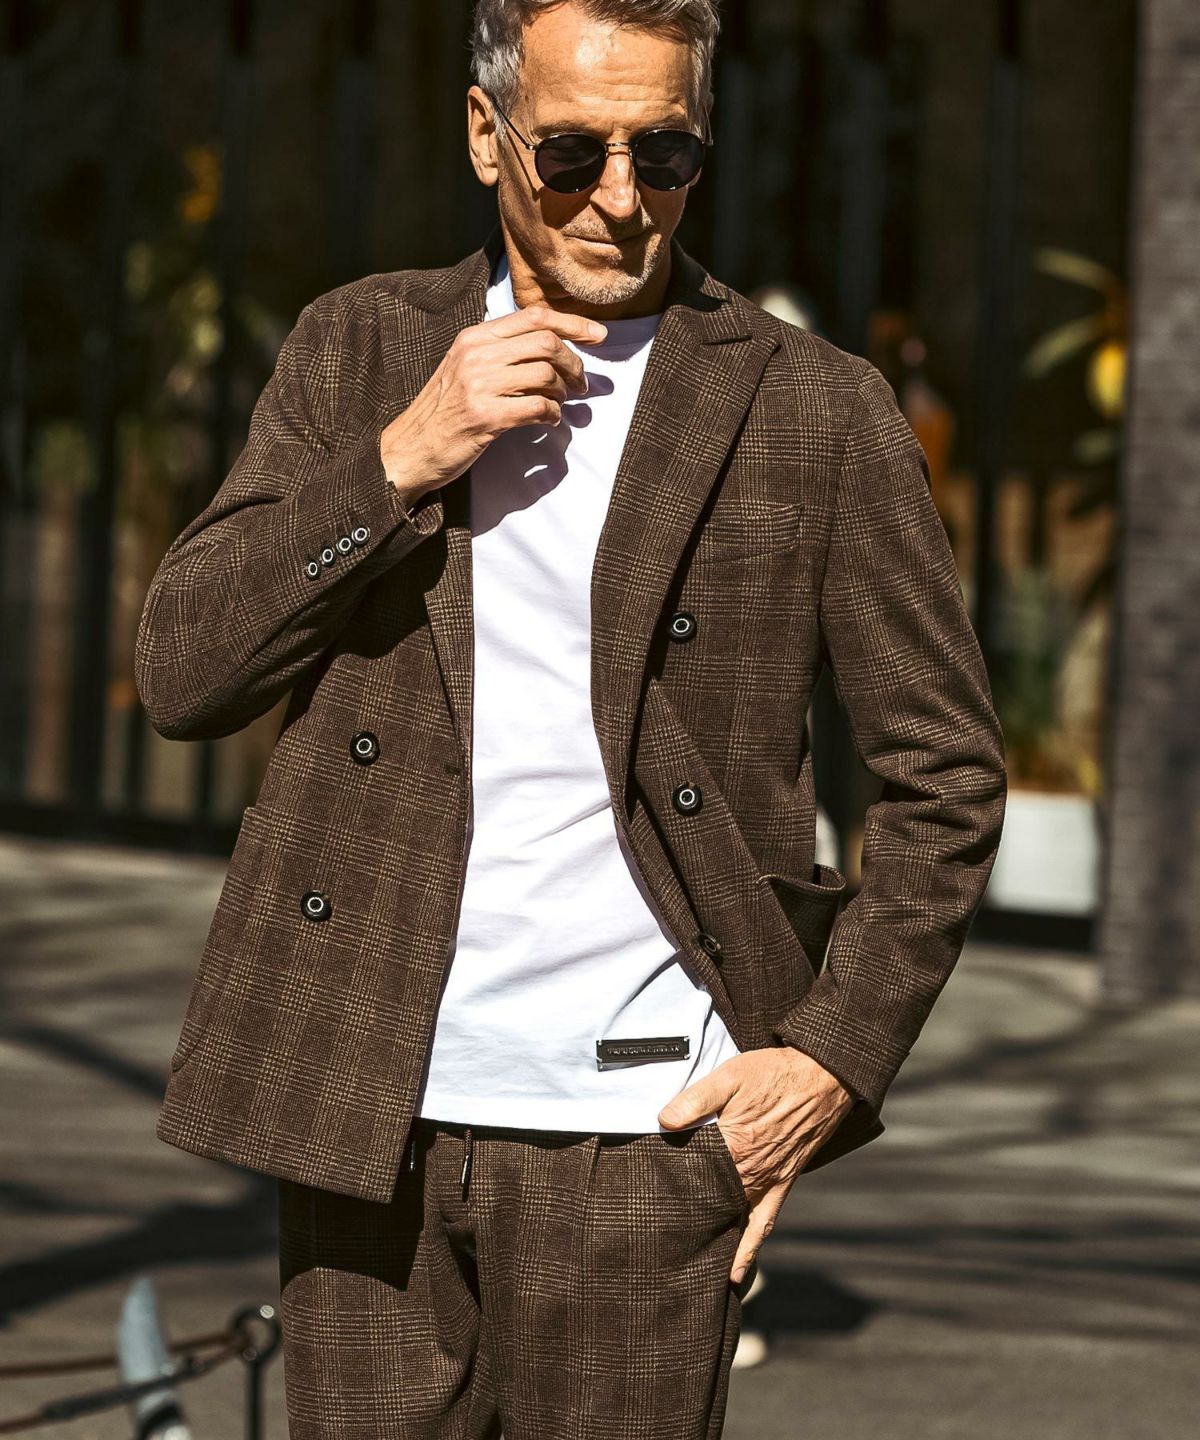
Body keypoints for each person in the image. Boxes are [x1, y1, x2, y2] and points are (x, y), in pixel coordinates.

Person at [135, 1, 1007, 1435]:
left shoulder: (814, 410)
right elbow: (183, 672)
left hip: (647, 1139)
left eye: (663, 153)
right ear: (488, 138)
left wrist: (831, 1059)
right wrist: (404, 457)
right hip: (366, 1107)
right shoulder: (362, 349)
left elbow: (947, 775)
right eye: (572, 153)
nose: (620, 196)